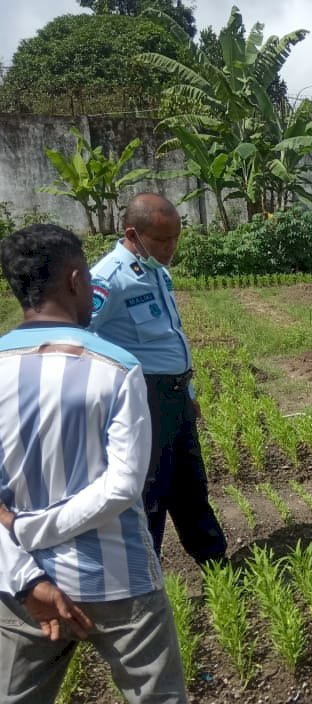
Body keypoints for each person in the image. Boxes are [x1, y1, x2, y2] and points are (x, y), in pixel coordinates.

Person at [0, 225, 197, 704]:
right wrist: (37, 529)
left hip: (24, 588)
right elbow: (121, 487)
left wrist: (26, 568)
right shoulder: (115, 365)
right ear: (77, 279)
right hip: (120, 579)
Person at [89, 193, 227, 568]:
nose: (171, 248)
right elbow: (79, 337)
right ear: (132, 234)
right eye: (163, 240)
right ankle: (142, 572)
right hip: (143, 398)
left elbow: (171, 337)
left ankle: (213, 559)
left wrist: (190, 393)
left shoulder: (156, 272)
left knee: (191, 484)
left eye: (176, 238)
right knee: (150, 491)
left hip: (175, 395)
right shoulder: (107, 278)